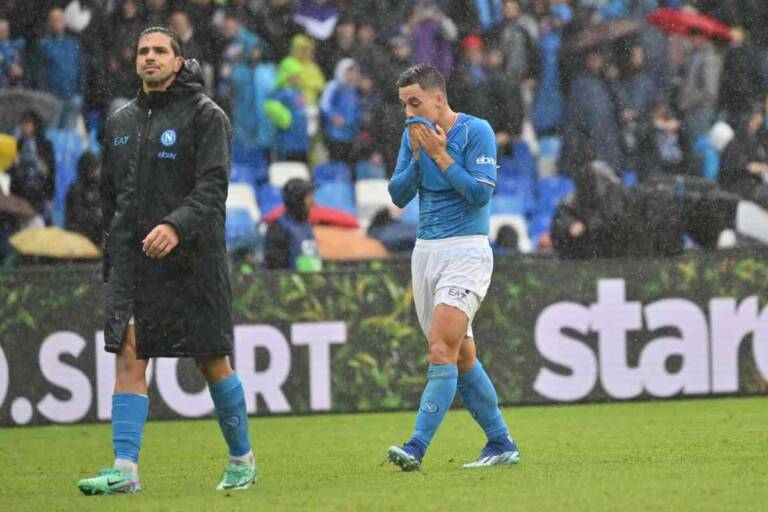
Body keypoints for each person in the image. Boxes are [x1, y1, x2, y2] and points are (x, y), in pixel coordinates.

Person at [76, 27, 256, 495]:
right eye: (143, 51)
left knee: (211, 359)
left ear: (179, 61)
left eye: (160, 51)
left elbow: (214, 188)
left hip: (193, 259)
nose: (150, 58)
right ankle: (125, 471)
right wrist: (114, 255)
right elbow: (112, 200)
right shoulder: (119, 123)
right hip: (135, 264)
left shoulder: (205, 116)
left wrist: (176, 225)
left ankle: (242, 458)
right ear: (135, 62)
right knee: (129, 355)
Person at [386, 64, 519, 471]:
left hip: (467, 251)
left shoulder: (476, 131)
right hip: (425, 252)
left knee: (441, 348)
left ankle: (416, 446)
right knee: (462, 357)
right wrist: (416, 157)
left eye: (415, 102)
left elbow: (479, 195)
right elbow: (397, 195)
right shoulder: (412, 136)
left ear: (438, 99)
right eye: (404, 105)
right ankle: (500, 443)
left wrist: (441, 156)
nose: (409, 112)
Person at [263, 177, 322, 271]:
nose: (313, 202)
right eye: (308, 197)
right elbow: (276, 269)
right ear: (296, 200)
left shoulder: (307, 225)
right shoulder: (278, 228)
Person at [65, 152, 102, 246]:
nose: (99, 171)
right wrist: (96, 215)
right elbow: (77, 214)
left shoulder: (97, 186)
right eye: (97, 168)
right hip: (79, 234)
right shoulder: (76, 188)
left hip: (96, 233)